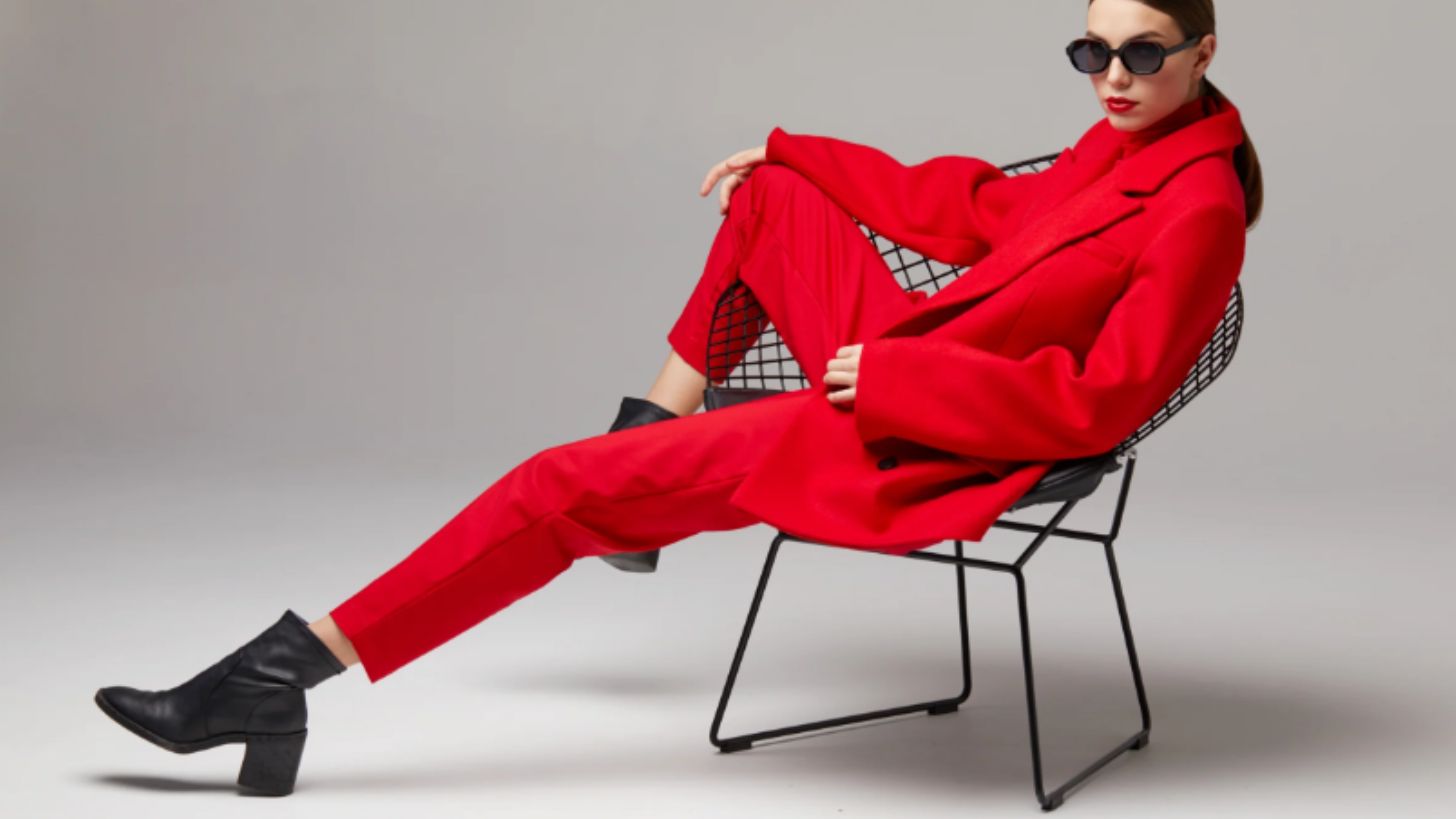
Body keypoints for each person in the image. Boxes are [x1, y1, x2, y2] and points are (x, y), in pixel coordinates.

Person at [94, 0, 1264, 797]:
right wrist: (792, 150)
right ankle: (652, 437)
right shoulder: (1119, 145)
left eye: (1142, 53)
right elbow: (973, 210)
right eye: (1090, 52)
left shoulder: (1198, 211)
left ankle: (276, 680)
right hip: (912, 367)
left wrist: (900, 379)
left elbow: (1099, 405)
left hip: (938, 435)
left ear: (1203, 50)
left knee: (554, 485)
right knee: (769, 197)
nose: (1113, 77)